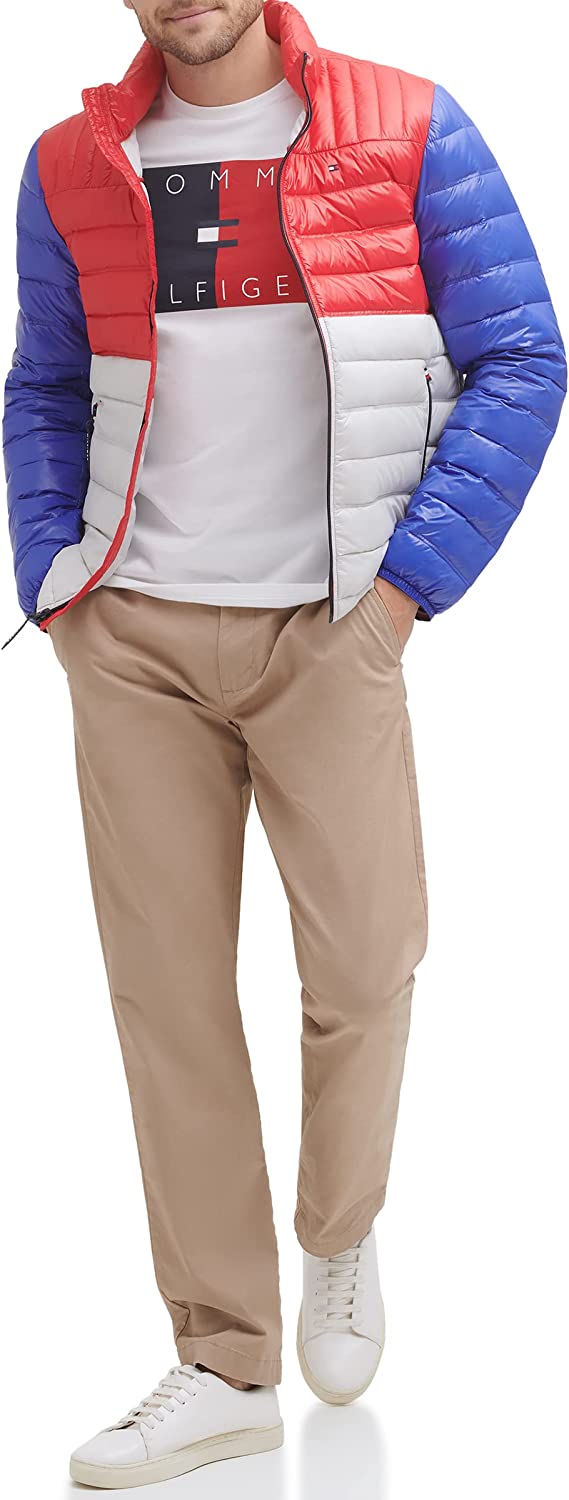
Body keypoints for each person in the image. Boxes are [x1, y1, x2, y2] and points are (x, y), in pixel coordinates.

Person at [3, 0, 566, 1487]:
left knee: (367, 964)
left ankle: (338, 1228)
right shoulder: (69, 161)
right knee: (168, 1001)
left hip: (332, 627)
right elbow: (44, 382)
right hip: (133, 636)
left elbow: (523, 356)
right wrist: (56, 582)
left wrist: (400, 595)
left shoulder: (408, 122)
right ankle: (222, 1359)